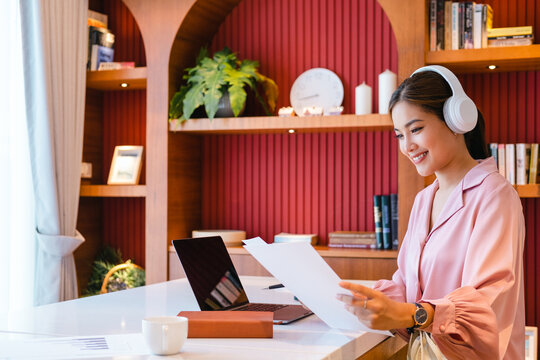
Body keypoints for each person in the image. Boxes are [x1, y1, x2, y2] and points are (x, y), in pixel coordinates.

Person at [336, 65, 525, 359]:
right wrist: (367, 301)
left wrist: (413, 314)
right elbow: (408, 284)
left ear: (456, 120)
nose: (408, 146)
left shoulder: (495, 195)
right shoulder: (424, 199)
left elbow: (488, 301)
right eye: (399, 135)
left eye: (416, 129)